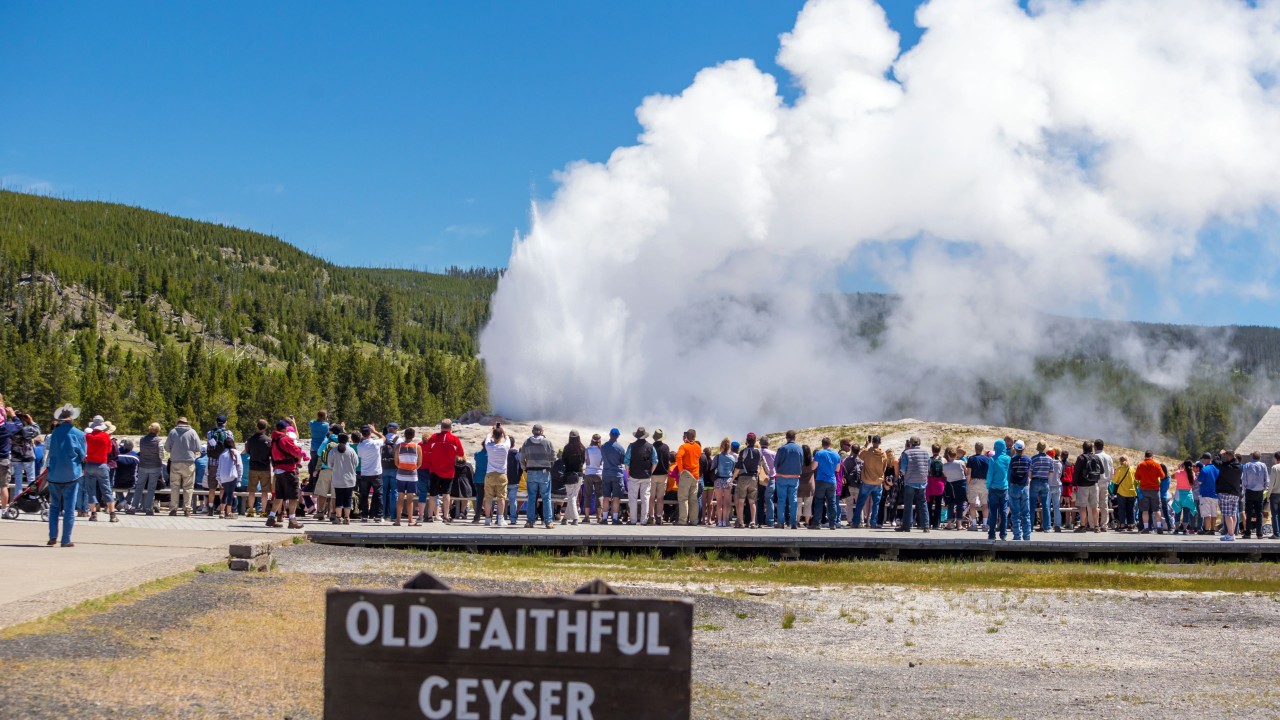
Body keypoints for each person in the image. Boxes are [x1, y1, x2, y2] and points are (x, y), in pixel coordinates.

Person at [46, 404, 86, 547]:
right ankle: (66, 539)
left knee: (54, 506)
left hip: (54, 473)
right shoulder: (79, 434)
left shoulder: (54, 433)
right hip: (71, 474)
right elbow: (82, 455)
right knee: (69, 508)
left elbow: (50, 452)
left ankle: (52, 536)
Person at [422, 419, 466, 524]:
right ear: (451, 428)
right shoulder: (454, 439)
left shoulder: (433, 437)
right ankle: (445, 516)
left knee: (433, 494)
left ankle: (429, 516)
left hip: (435, 469)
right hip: (449, 470)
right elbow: (461, 453)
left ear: (441, 427)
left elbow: (427, 450)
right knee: (446, 493)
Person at [266, 419, 305, 529]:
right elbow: (296, 452)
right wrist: (300, 451)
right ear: (285, 429)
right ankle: (292, 520)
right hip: (288, 470)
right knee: (293, 496)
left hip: (278, 470)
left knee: (279, 496)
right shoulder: (285, 439)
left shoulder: (273, 440)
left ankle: (271, 518)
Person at [520, 424, 557, 529]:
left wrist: (525, 468)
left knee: (531, 497)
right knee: (546, 497)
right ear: (542, 431)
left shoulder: (526, 443)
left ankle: (530, 521)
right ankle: (548, 522)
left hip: (531, 472)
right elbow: (554, 457)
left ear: (532, 431)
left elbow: (522, 458)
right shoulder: (547, 442)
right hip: (544, 472)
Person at [165, 417, 202, 517]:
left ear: (178, 422)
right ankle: (187, 509)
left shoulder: (173, 432)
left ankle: (173, 509)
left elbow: (167, 447)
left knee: (174, 486)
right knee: (188, 487)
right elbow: (199, 447)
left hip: (175, 462)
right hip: (189, 463)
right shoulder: (193, 432)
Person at [83, 416, 118, 522]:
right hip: (102, 464)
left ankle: (93, 514)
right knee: (106, 489)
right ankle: (112, 514)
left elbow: (84, 449)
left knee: (91, 490)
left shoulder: (88, 436)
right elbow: (108, 450)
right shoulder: (106, 436)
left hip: (90, 464)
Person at [895, 437, 930, 532]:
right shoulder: (926, 453)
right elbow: (928, 466)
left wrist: (904, 475)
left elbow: (902, 469)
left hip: (910, 481)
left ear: (910, 443)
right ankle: (926, 526)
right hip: (922, 481)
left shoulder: (907, 453)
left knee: (908, 504)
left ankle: (906, 526)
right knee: (923, 503)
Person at [481, 424, 513, 526]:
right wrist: (503, 430)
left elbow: (487, 437)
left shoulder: (489, 446)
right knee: (501, 498)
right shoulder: (505, 446)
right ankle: (500, 519)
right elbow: (507, 438)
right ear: (501, 436)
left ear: (493, 437)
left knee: (488, 498)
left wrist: (492, 430)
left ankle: (487, 519)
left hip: (490, 474)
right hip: (501, 475)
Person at [624, 427, 657, 526]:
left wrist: (628, 472)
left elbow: (626, 461)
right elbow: (655, 461)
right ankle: (643, 520)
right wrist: (651, 472)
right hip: (646, 475)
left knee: (632, 498)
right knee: (645, 498)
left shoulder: (631, 446)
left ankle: (633, 520)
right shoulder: (651, 447)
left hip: (634, 475)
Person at [854, 436, 888, 529]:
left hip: (867, 481)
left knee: (860, 502)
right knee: (876, 504)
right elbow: (884, 467)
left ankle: (856, 522)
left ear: (872, 442)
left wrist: (865, 444)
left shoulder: (867, 452)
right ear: (880, 442)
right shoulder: (883, 454)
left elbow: (859, 455)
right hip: (877, 481)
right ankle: (873, 523)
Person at [326, 432, 359, 525]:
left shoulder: (333, 451)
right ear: (347, 440)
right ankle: (347, 518)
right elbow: (356, 464)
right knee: (348, 498)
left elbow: (329, 465)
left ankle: (338, 518)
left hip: (337, 478)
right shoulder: (351, 451)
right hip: (350, 479)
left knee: (339, 498)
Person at [774, 431, 804, 530]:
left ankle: (781, 522)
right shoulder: (800, 449)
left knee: (781, 500)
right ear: (795, 437)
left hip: (782, 477)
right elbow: (801, 462)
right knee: (793, 500)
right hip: (794, 478)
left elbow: (775, 463)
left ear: (786, 438)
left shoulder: (782, 449)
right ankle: (793, 523)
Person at [8, 412, 40, 505]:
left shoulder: (12, 428)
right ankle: (32, 497)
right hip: (28, 455)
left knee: (18, 478)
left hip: (16, 455)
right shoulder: (27, 428)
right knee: (31, 478)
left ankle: (17, 498)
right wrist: (31, 421)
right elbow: (38, 431)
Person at [355, 425, 385, 523]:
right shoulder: (375, 443)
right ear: (370, 433)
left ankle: (364, 515)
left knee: (364, 495)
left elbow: (359, 456)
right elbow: (383, 438)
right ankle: (378, 515)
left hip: (365, 473)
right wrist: (375, 431)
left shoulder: (360, 446)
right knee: (379, 494)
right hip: (376, 472)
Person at [1073, 442, 1104, 533]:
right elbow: (1101, 470)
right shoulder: (1096, 457)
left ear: (1083, 448)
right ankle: (1096, 526)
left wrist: (1074, 484)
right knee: (1095, 507)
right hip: (1094, 485)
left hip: (1082, 486)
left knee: (1082, 506)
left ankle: (1082, 526)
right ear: (1092, 449)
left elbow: (1076, 473)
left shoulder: (1081, 458)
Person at [244, 420, 273, 517]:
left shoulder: (250, 440)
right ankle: (263, 511)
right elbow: (270, 454)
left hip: (253, 467)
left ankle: (251, 510)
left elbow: (248, 451)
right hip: (265, 467)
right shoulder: (269, 440)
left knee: (251, 490)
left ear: (257, 427)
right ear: (265, 427)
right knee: (264, 491)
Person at [735, 433, 764, 529]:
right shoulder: (759, 452)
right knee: (752, 501)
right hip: (753, 478)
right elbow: (761, 465)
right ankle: (752, 521)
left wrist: (732, 478)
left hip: (743, 477)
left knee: (741, 501)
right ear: (755, 441)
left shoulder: (743, 452)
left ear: (746, 441)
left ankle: (741, 522)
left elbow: (738, 467)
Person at [393, 428, 422, 526]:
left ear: (404, 435)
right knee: (410, 499)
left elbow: (396, 462)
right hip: (412, 475)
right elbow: (419, 463)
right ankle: (410, 520)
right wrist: (412, 468)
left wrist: (402, 467)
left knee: (400, 498)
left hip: (401, 474)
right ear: (413, 435)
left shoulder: (399, 446)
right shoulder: (417, 447)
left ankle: (398, 520)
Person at [812, 438, 841, 530]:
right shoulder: (836, 455)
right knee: (832, 502)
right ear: (830, 444)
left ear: (822, 444)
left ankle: (817, 523)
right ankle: (832, 524)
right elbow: (837, 469)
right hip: (832, 481)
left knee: (819, 501)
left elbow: (813, 466)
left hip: (821, 480)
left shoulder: (819, 454)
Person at [1214, 449, 1243, 541]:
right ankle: (1232, 533)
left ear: (1228, 456)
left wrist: (1219, 454)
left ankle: (1230, 535)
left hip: (1225, 493)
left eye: (1226, 456)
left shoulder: (1225, 466)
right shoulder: (1239, 467)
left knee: (1227, 515)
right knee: (1233, 514)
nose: (1224, 458)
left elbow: (1214, 461)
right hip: (1235, 493)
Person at [599, 428, 626, 525]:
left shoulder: (603, 447)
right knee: (616, 498)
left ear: (609, 435)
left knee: (606, 497)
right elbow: (623, 461)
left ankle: (604, 518)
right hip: (617, 474)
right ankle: (615, 518)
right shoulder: (620, 448)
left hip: (606, 473)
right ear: (618, 436)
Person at [675, 430, 702, 526]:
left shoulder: (683, 446)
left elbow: (678, 457)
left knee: (683, 498)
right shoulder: (698, 447)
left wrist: (681, 470)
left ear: (687, 436)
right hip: (695, 475)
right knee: (693, 499)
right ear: (695, 436)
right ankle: (694, 520)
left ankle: (682, 520)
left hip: (686, 474)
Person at [986, 439, 1011, 541]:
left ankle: (992, 534)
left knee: (993, 512)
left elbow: (990, 474)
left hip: (993, 488)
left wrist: (988, 485)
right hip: (1004, 488)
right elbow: (1009, 474)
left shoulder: (992, 459)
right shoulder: (1008, 459)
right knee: (1003, 512)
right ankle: (1003, 534)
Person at [1241, 450, 1268, 540]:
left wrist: (1245, 488)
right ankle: (1259, 533)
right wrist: (1264, 488)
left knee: (1248, 513)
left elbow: (1244, 479)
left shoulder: (1247, 465)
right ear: (1260, 457)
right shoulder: (1263, 465)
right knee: (1259, 513)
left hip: (1249, 490)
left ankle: (1248, 533)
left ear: (1252, 456)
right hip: (1260, 491)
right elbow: (1266, 479)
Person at [561, 431, 586, 525]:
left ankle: (575, 518)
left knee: (571, 497)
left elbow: (564, 461)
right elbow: (583, 461)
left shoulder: (567, 448)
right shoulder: (582, 448)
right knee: (573, 496)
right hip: (579, 475)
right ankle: (565, 518)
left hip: (569, 475)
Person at [1029, 442, 1054, 532]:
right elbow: (1051, 473)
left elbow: (1030, 473)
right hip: (1044, 482)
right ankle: (1047, 527)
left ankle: (1030, 526)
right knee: (1045, 505)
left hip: (1035, 481)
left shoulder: (1033, 459)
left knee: (1032, 504)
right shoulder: (1050, 459)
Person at [964, 443, 990, 531]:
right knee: (985, 504)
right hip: (984, 482)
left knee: (972, 504)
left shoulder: (971, 458)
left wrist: (967, 484)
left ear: (975, 448)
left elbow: (969, 473)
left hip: (974, 481)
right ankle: (985, 524)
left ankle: (974, 525)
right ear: (982, 449)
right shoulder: (987, 459)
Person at [214, 438, 242, 518]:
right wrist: (239, 478)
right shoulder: (236, 452)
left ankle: (222, 511)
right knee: (230, 494)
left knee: (225, 493)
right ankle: (228, 512)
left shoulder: (222, 454)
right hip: (232, 476)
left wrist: (218, 478)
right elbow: (239, 466)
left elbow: (219, 467)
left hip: (223, 477)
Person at [648, 429, 670, 525]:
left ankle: (651, 517)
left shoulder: (651, 447)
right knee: (660, 498)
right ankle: (659, 517)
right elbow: (667, 460)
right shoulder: (666, 447)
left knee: (651, 497)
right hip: (663, 475)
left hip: (653, 475)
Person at [0, 408, 21, 510]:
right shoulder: (6, 427)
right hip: (3, 459)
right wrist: (13, 414)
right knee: (4, 486)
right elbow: (19, 425)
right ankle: (3, 510)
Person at [380, 423, 401, 520]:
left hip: (383, 468)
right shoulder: (399, 440)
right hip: (395, 468)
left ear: (388, 429)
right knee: (394, 492)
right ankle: (393, 515)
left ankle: (383, 514)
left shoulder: (382, 439)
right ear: (396, 430)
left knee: (383, 492)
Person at [942, 447, 967, 530]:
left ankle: (949, 524)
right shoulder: (961, 462)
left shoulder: (945, 466)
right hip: (961, 484)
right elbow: (966, 472)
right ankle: (959, 524)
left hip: (950, 485)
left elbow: (945, 475)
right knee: (960, 504)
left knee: (950, 504)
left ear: (948, 456)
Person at [1171, 459, 1197, 535]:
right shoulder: (1192, 473)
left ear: (1183, 466)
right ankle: (1185, 530)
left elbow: (1172, 476)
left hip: (1179, 494)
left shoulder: (1178, 472)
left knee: (1177, 511)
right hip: (1188, 495)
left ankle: (1176, 529)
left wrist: (1179, 468)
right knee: (1186, 512)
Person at [841, 445, 863, 529]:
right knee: (859, 504)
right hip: (858, 485)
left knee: (849, 504)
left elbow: (844, 472)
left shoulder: (847, 460)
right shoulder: (861, 461)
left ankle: (850, 520)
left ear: (852, 451)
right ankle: (860, 521)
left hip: (849, 485)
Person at [583, 434, 604, 523]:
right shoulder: (602, 450)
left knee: (588, 495)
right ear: (599, 441)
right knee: (599, 495)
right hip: (599, 473)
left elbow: (585, 461)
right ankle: (599, 516)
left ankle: (587, 516)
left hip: (588, 473)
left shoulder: (588, 449)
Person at [1094, 439, 1115, 530]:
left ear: (1095, 447)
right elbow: (1112, 471)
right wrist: (1109, 480)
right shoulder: (1108, 457)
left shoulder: (1094, 456)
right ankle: (1104, 525)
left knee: (1094, 504)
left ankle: (1094, 524)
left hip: (1095, 483)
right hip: (1105, 483)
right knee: (1104, 505)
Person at [925, 443, 946, 530]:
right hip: (939, 483)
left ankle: (929, 522)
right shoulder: (943, 460)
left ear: (932, 450)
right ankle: (936, 524)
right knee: (938, 504)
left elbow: (927, 471)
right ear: (940, 450)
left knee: (929, 504)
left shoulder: (929, 460)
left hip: (930, 482)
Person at [114, 440, 139, 510]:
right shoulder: (135, 457)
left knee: (116, 487)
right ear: (132, 447)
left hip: (118, 482)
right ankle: (125, 502)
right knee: (137, 487)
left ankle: (122, 501)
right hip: (131, 482)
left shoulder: (117, 456)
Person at [759, 436, 778, 529]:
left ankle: (759, 520)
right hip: (770, 478)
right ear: (768, 444)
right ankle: (770, 521)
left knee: (759, 499)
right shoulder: (773, 453)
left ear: (760, 443)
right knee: (769, 499)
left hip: (759, 478)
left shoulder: (757, 453)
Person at [308, 410, 330, 480]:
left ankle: (314, 484)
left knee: (314, 467)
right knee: (322, 466)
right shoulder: (326, 425)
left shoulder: (311, 423)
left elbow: (313, 422)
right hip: (322, 448)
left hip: (314, 448)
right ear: (324, 417)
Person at [1267, 452, 1280, 540]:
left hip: (1275, 493)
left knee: (1274, 514)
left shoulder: (1274, 467)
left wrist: (1268, 495)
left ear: (1276, 458)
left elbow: (1271, 483)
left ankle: (1276, 533)